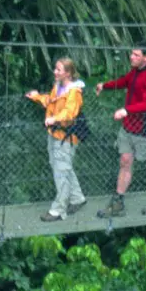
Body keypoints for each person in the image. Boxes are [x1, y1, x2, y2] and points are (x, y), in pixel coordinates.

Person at [96, 46, 146, 217]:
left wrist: (126, 110)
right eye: (132, 53)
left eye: (136, 54)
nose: (131, 57)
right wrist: (104, 86)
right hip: (129, 127)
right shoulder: (135, 72)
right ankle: (118, 202)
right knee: (125, 161)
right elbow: (123, 82)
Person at [26, 57, 88, 221]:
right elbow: (50, 101)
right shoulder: (58, 87)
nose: (55, 72)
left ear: (67, 73)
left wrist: (54, 119)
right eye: (55, 69)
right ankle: (77, 198)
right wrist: (37, 96)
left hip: (66, 137)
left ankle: (59, 210)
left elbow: (69, 112)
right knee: (61, 167)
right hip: (54, 134)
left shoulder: (74, 93)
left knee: (61, 172)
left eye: (59, 70)